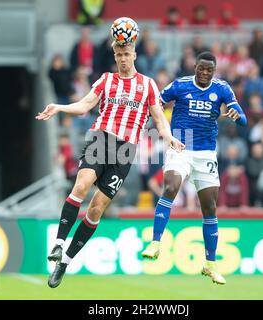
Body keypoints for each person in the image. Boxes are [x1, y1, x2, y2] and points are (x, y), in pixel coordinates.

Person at [36, 40, 185, 288]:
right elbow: (84, 105)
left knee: (96, 209)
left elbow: (159, 119)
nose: (123, 59)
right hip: (101, 138)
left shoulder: (148, 85)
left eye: (127, 54)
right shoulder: (106, 80)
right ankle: (59, 244)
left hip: (126, 150)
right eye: (119, 54)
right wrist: (59, 107)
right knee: (81, 186)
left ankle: (66, 262)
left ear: (134, 54)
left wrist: (169, 137)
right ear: (115, 56)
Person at [141, 52, 247, 285]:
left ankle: (210, 264)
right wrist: (162, 126)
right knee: (170, 187)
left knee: (209, 207)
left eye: (209, 69)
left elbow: (243, 119)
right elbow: (156, 102)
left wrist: (236, 115)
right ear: (195, 67)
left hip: (206, 153)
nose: (204, 72)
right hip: (180, 147)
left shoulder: (222, 89)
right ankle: (156, 242)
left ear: (214, 70)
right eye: (201, 68)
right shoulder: (180, 85)